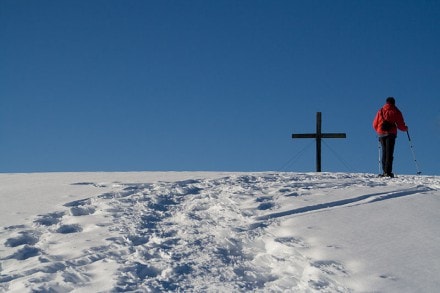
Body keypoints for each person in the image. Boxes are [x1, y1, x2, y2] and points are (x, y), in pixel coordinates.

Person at [373, 97, 408, 177]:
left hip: (381, 134)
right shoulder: (396, 111)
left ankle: (384, 171)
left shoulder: (380, 111)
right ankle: (388, 172)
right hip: (391, 134)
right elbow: (400, 125)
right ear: (394, 103)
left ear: (386, 102)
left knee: (384, 152)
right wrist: (405, 129)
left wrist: (378, 130)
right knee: (389, 153)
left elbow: (374, 124)